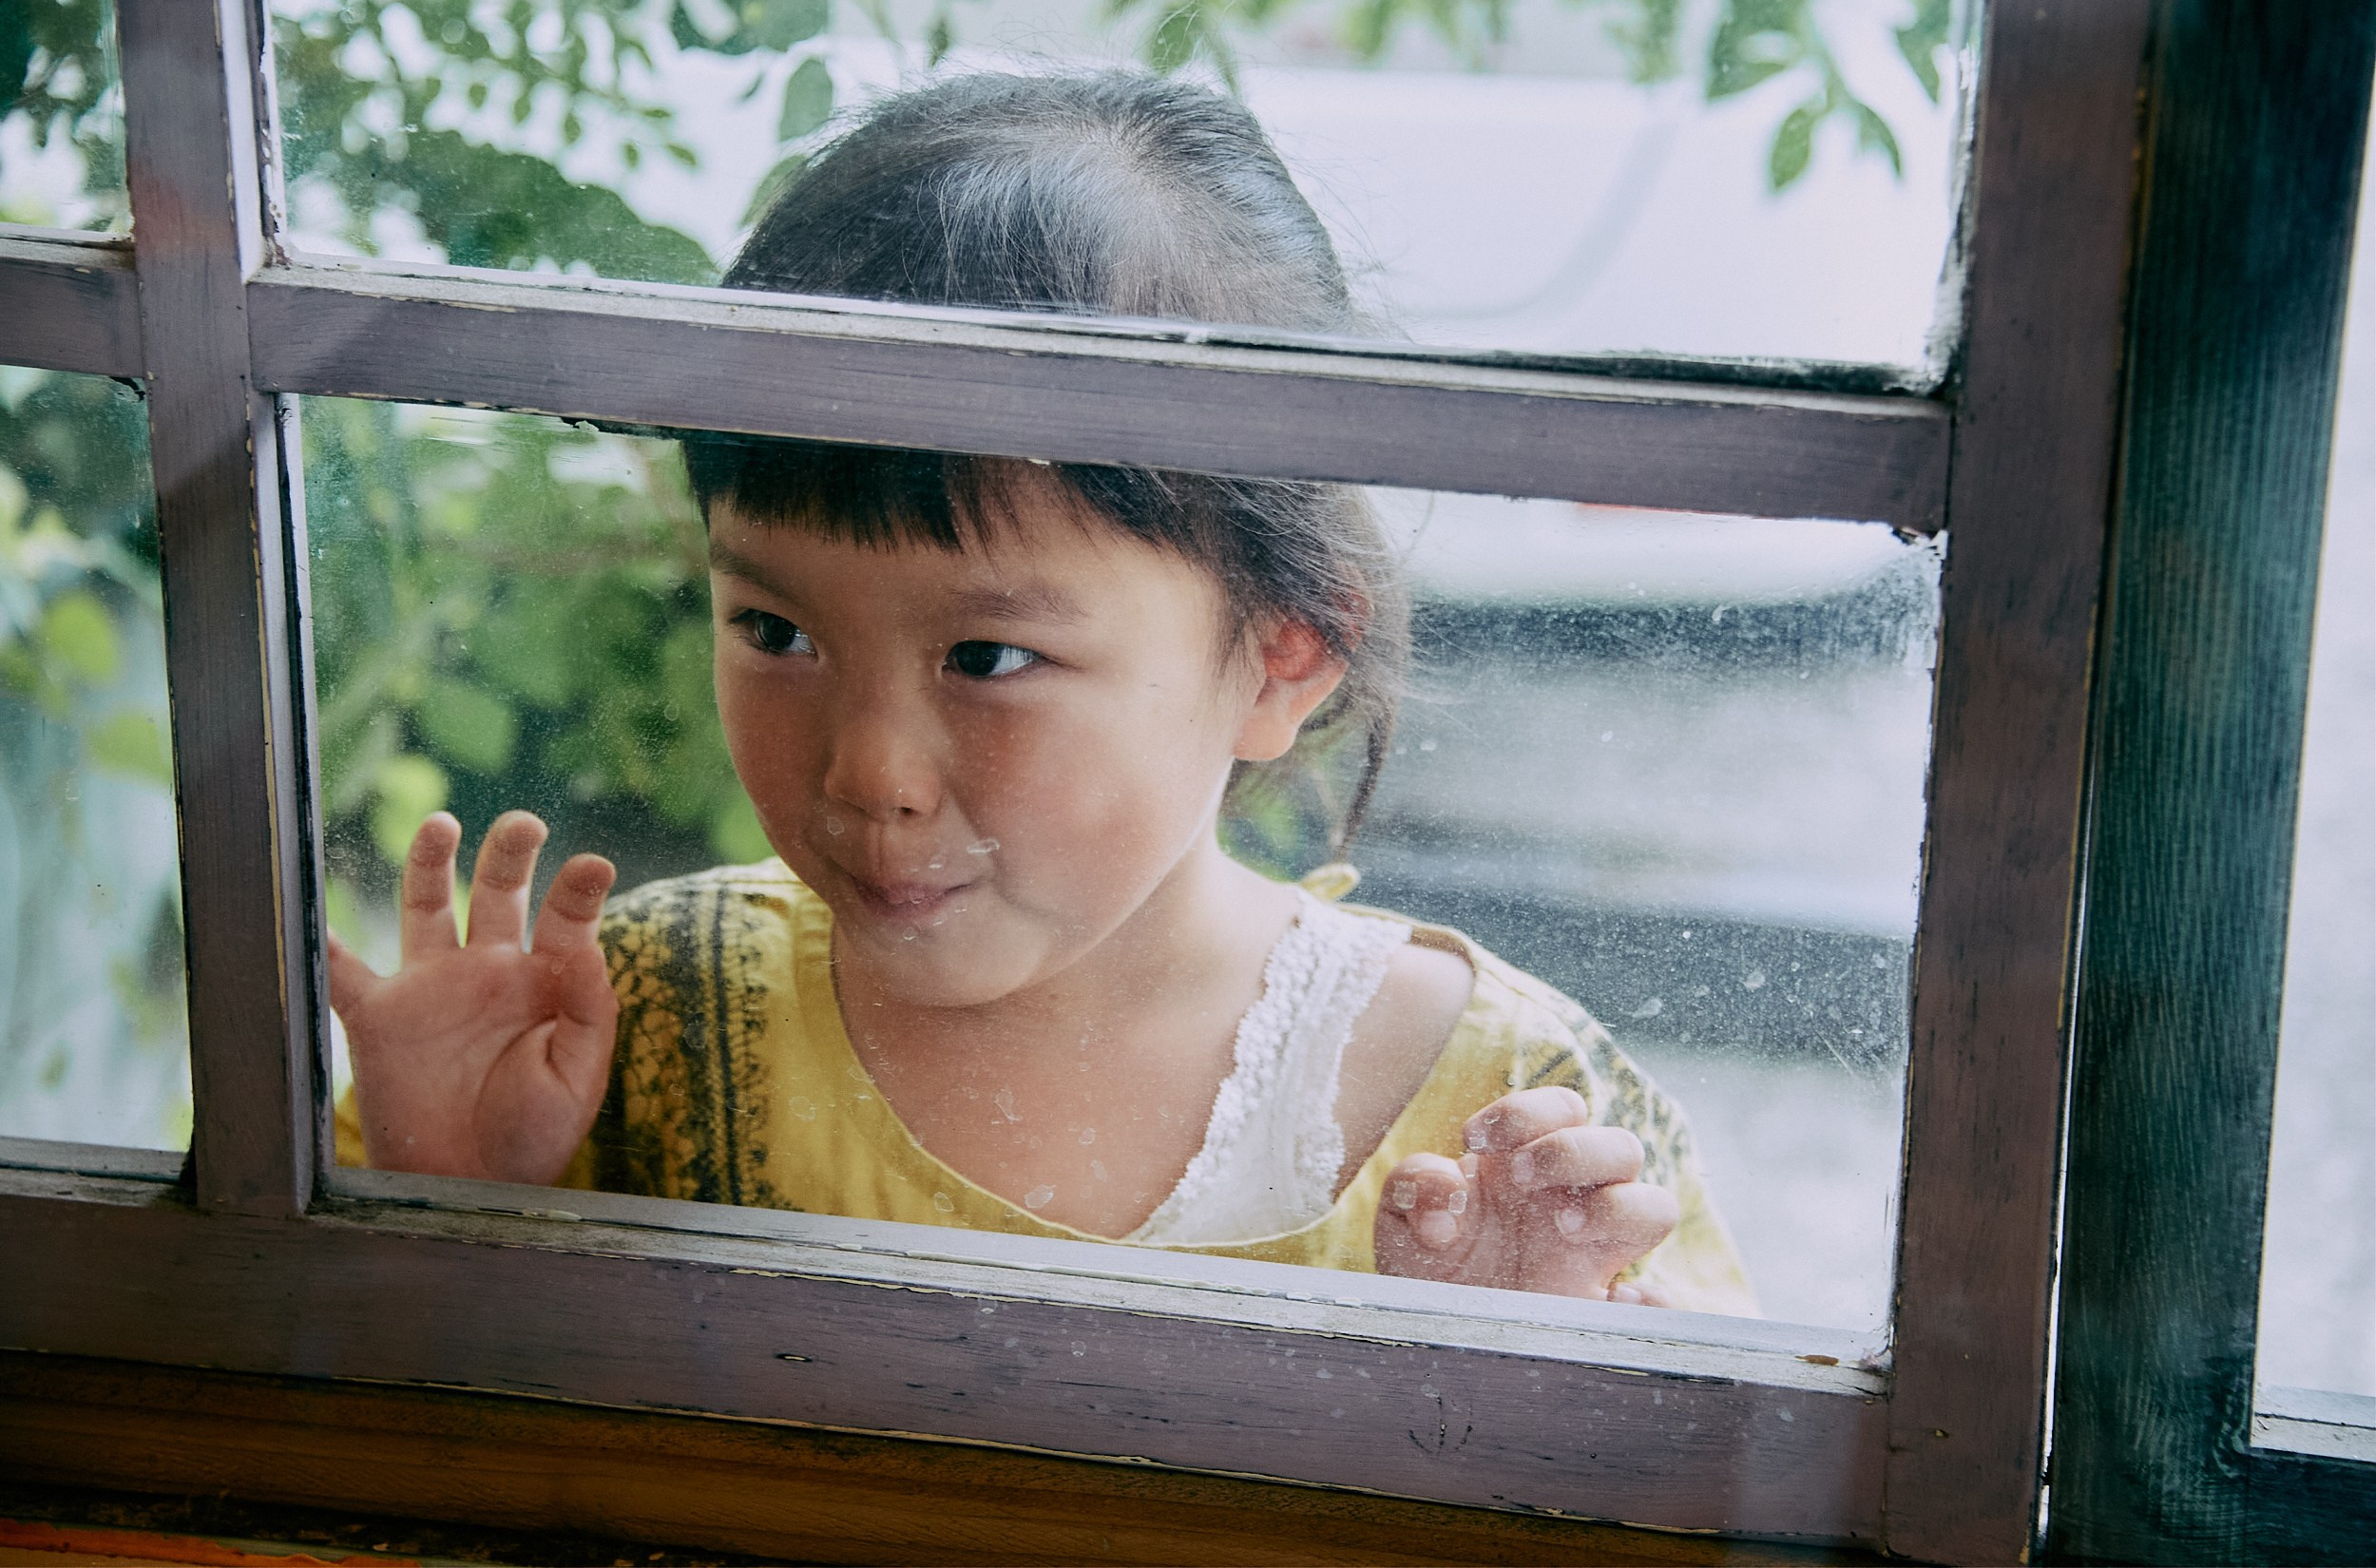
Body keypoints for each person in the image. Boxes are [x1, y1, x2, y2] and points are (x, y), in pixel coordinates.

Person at [329, 71, 1754, 1313]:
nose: (869, 771)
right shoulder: (633, 1019)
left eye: (989, 659)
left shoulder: (1519, 1121)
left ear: (1284, 655)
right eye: (775, 629)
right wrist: (447, 1198)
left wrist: (1531, 1379)